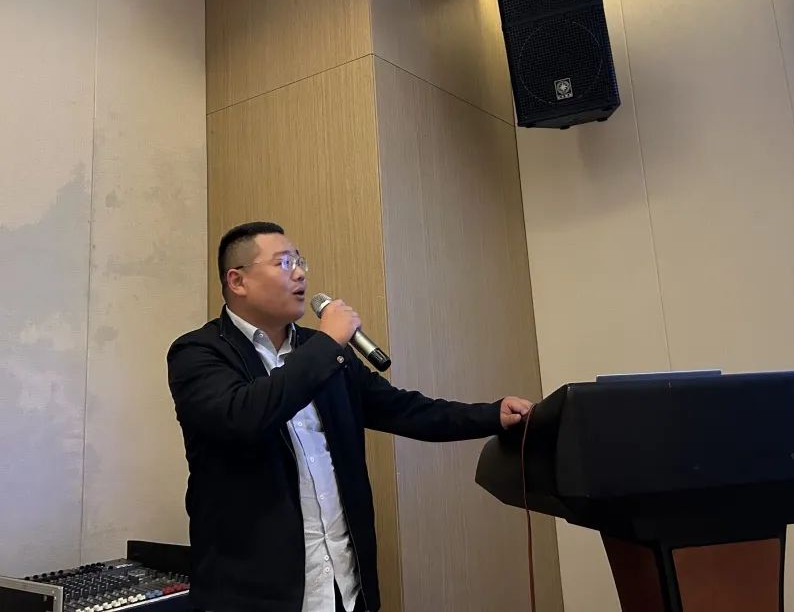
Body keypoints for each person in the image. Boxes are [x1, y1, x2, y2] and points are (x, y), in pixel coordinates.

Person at [167, 221, 533, 612]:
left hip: (343, 588)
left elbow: (404, 410)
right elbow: (244, 416)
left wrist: (491, 415)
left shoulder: (321, 352)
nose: (300, 273)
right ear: (237, 281)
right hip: (254, 596)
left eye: (300, 262)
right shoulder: (198, 353)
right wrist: (328, 342)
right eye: (284, 263)